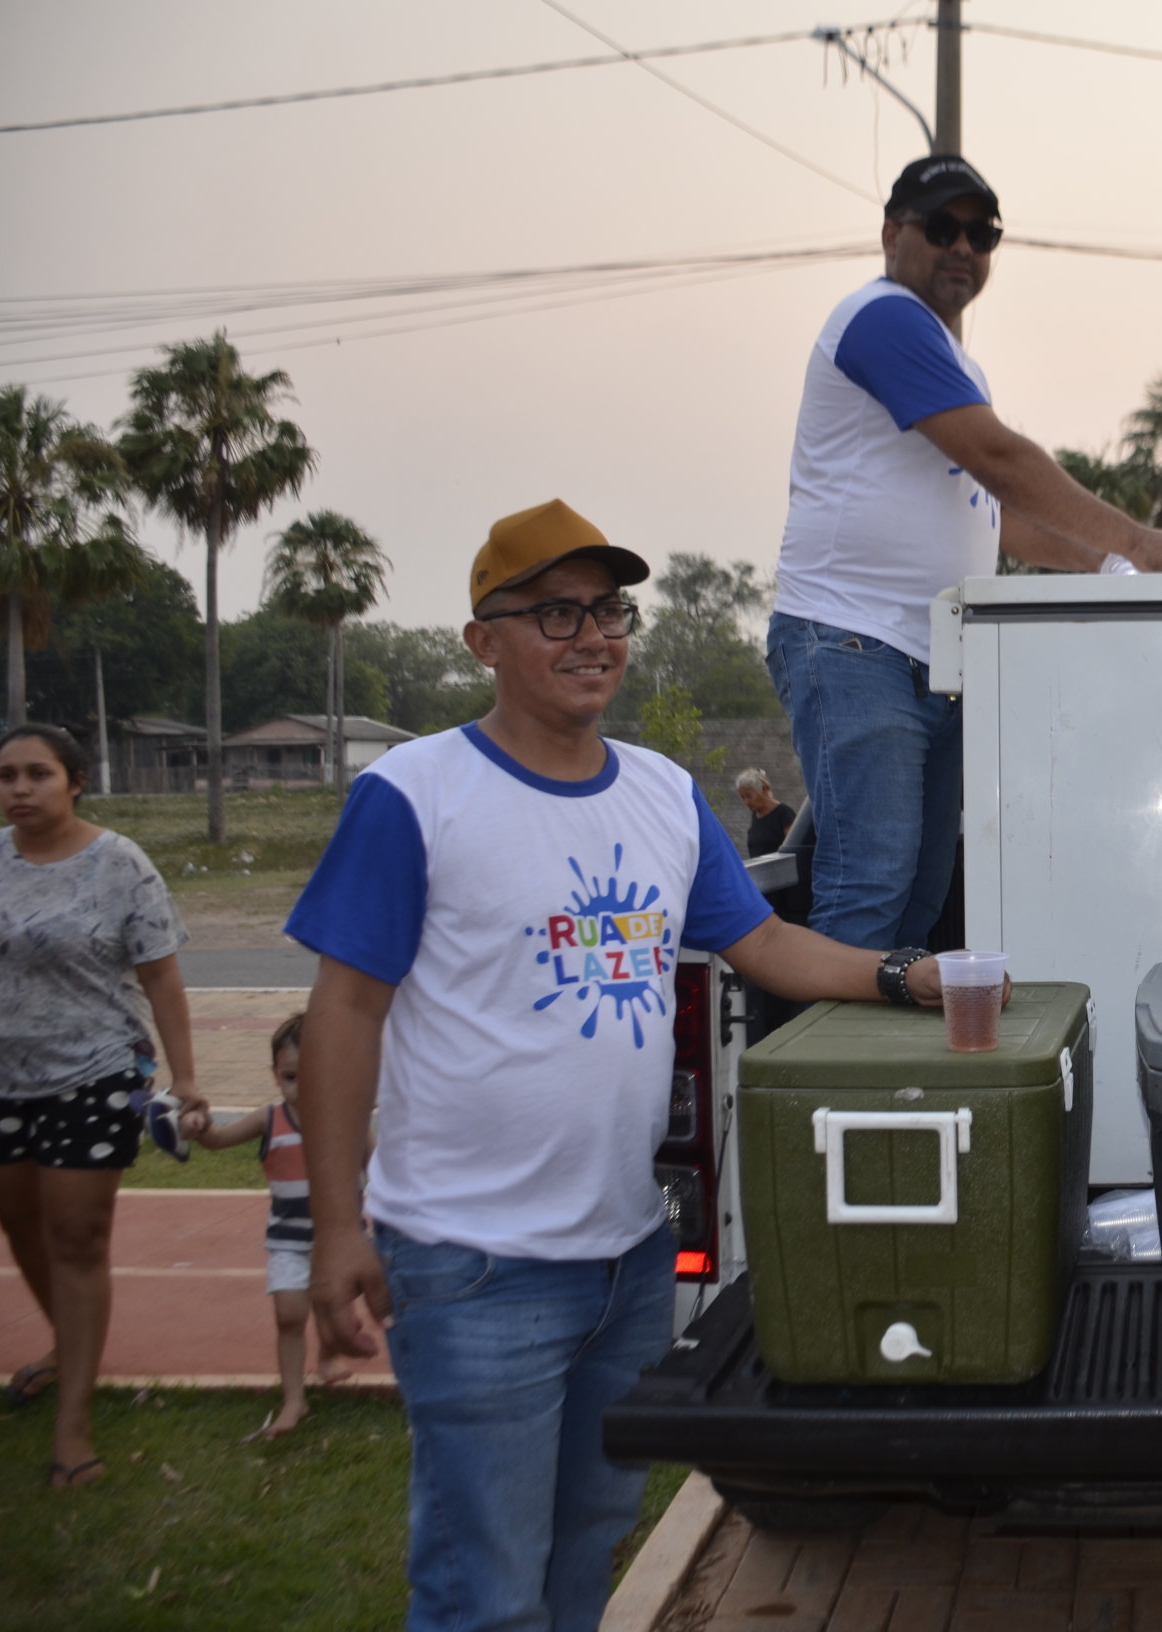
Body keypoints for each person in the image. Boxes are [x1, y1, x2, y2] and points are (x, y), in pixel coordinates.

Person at [295, 500, 996, 1632]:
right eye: (555, 613)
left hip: (627, 1256)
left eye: (610, 610)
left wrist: (904, 975)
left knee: (587, 1547)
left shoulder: (659, 792)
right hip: (476, 1263)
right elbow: (342, 1014)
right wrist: (335, 1228)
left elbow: (760, 941)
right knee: (482, 1580)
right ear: (484, 639)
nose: (594, 637)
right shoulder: (416, 795)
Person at [768, 154, 1162, 959]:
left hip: (937, 662)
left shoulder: (957, 363)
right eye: (942, 228)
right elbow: (1000, 460)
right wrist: (1138, 540)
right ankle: (819, 1084)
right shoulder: (881, 317)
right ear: (892, 235)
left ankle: (895, 1083)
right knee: (871, 890)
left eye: (982, 232)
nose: (963, 246)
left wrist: (1110, 569)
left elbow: (990, 516)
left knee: (921, 897)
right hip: (855, 642)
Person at [0, 723, 207, 1489]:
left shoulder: (119, 865)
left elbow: (163, 981)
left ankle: (72, 1424)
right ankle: (65, 1346)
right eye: (7, 775)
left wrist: (184, 1079)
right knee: (19, 1221)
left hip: (95, 1071)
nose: (19, 789)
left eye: (37, 774)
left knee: (76, 1236)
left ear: (75, 780)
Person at [193, 1010, 363, 1437]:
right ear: (274, 1074)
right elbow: (217, 1140)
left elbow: (379, 1164)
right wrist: (198, 1125)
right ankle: (294, 1399)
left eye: (313, 1075)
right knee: (289, 1313)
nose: (301, 1089)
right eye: (290, 1078)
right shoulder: (269, 1119)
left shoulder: (349, 1119)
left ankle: (326, 1354)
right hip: (287, 1238)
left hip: (338, 1242)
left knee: (330, 1310)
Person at [734, 767, 797, 859]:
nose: (746, 802)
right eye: (743, 798)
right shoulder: (755, 816)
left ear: (764, 789)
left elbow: (795, 848)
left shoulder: (783, 813)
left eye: (749, 796)